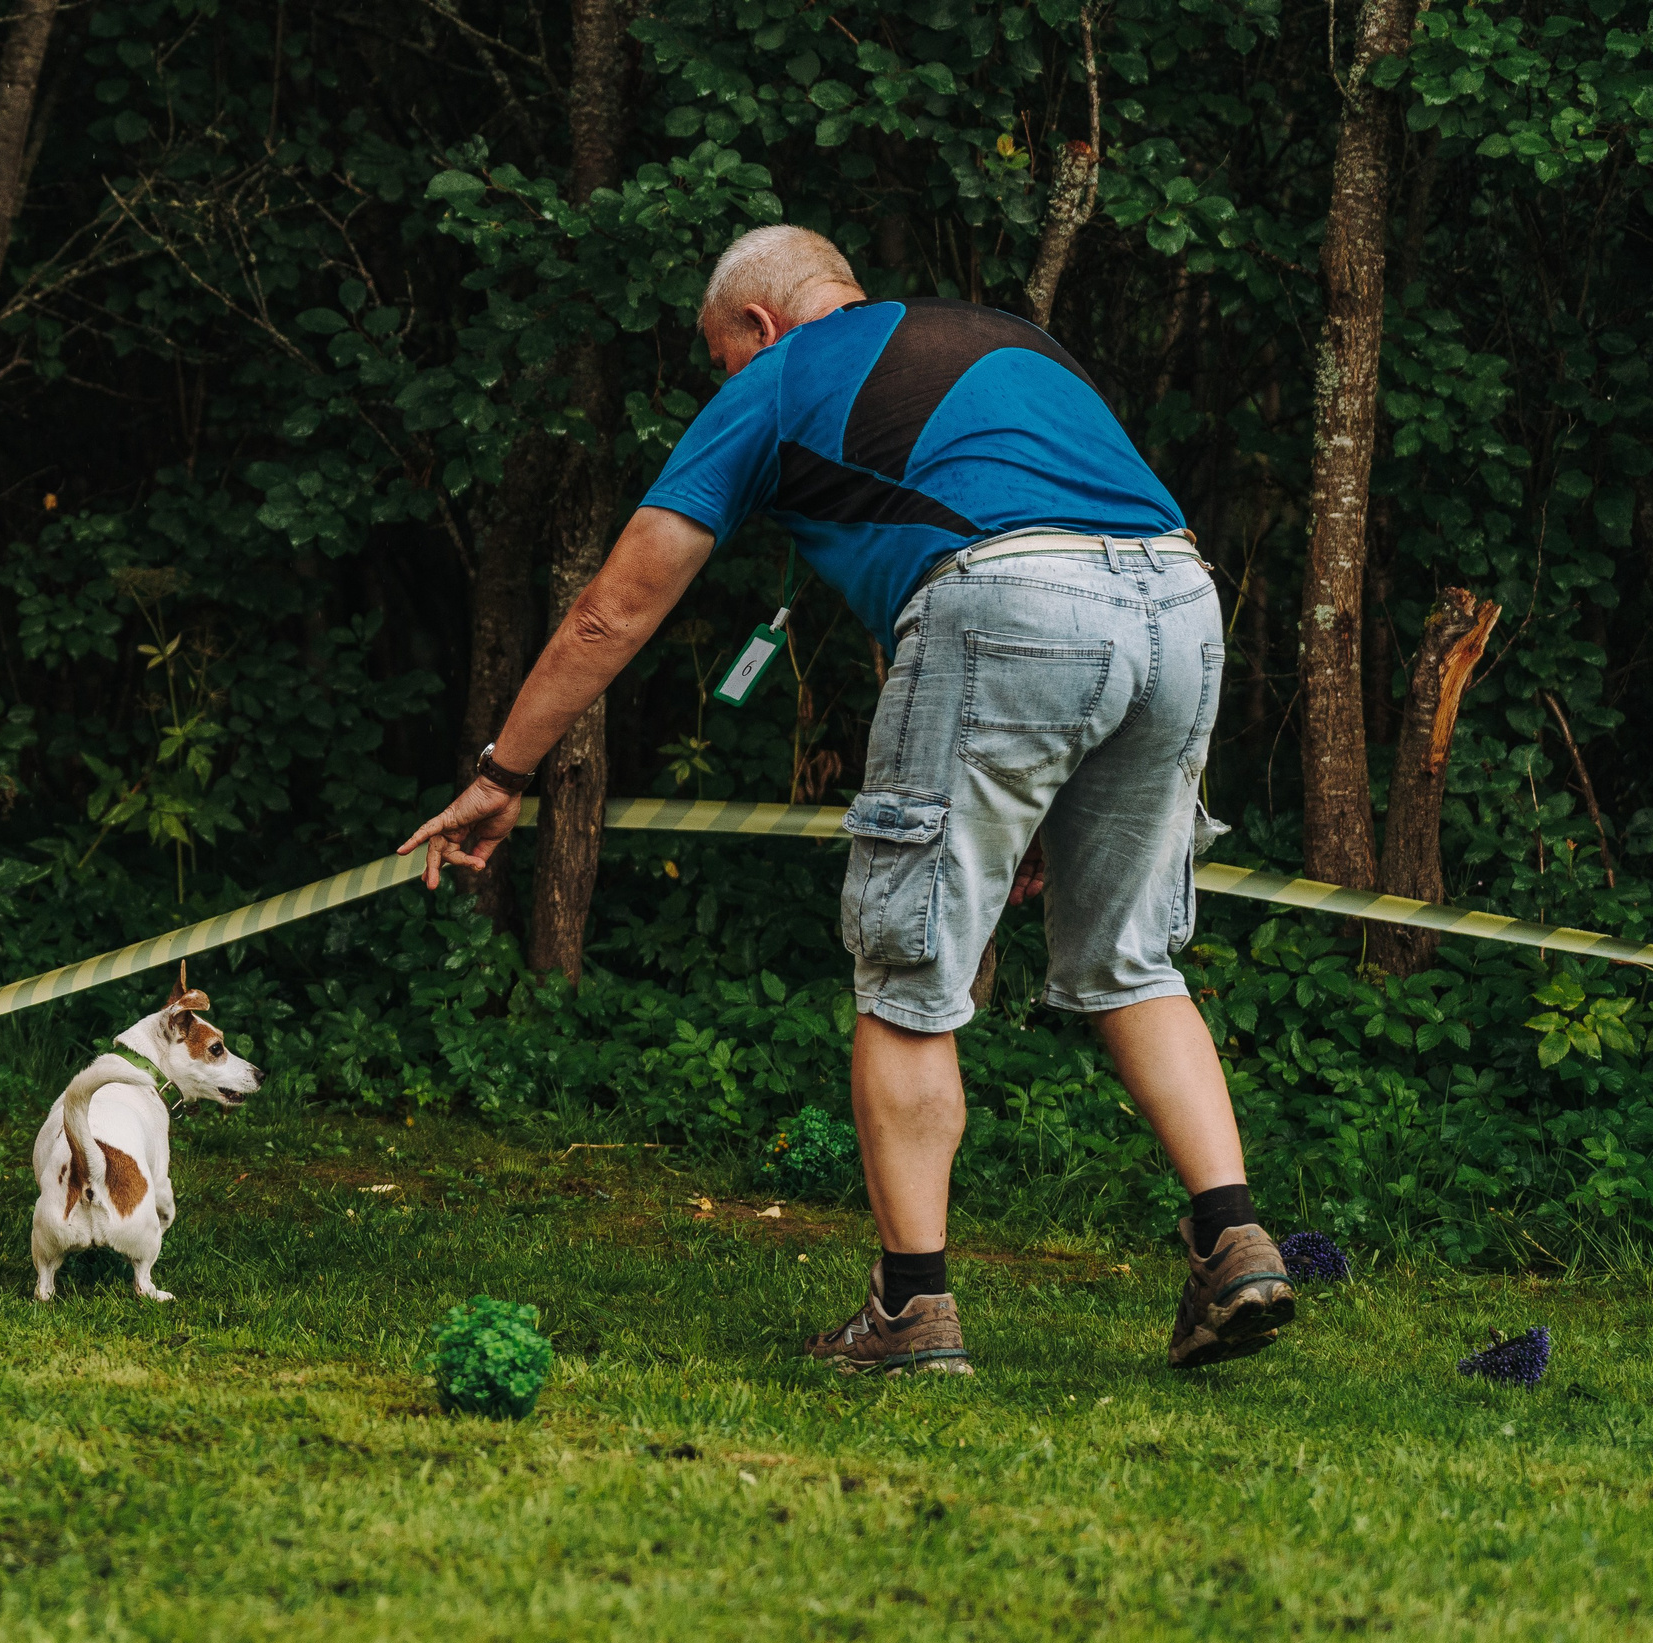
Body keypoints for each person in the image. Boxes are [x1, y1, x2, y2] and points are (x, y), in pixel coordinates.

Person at [398, 225, 1295, 1377]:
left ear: (757, 327)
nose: (730, 383)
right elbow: (1058, 532)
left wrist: (500, 773)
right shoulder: (1008, 340)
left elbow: (608, 611)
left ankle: (908, 1313)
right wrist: (1028, 808)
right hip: (1178, 598)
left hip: (1005, 600)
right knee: (1133, 958)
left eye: (724, 358)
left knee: (907, 969)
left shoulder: (780, 375)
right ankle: (1232, 1240)